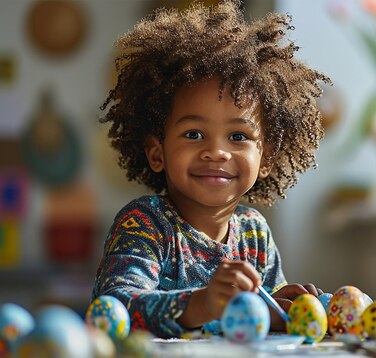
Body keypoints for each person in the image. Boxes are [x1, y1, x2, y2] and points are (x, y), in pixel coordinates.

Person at [92, 0, 332, 338]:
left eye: (238, 136)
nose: (216, 152)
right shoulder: (145, 223)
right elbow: (114, 308)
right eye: (193, 134)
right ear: (157, 153)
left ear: (266, 160)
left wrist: (277, 306)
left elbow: (260, 322)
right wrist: (203, 304)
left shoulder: (254, 232)